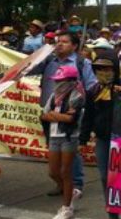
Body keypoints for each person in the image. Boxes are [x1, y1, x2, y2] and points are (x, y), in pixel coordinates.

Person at [31, 31, 96, 198]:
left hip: (71, 114)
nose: (59, 44)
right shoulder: (48, 61)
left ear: (74, 46)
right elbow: (27, 69)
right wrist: (40, 55)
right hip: (49, 113)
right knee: (55, 150)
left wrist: (81, 109)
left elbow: (92, 87)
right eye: (58, 41)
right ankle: (62, 184)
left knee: (71, 152)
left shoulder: (82, 63)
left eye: (65, 42)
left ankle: (76, 185)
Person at [80, 51, 121, 219]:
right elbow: (88, 117)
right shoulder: (93, 91)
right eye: (98, 68)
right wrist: (82, 140)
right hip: (104, 140)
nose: (103, 72)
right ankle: (113, 216)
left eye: (107, 68)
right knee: (107, 178)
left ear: (115, 69)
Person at [41, 65, 86, 219]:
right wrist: (57, 116)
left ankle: (67, 207)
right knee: (53, 171)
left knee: (66, 171)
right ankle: (71, 191)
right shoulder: (54, 96)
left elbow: (71, 119)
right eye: (57, 80)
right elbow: (45, 114)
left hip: (69, 137)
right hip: (54, 136)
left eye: (61, 81)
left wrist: (55, 115)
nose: (58, 83)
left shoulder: (76, 96)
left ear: (70, 81)